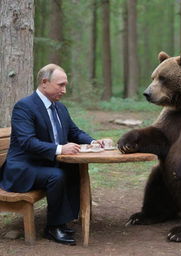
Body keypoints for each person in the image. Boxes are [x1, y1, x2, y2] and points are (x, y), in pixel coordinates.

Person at [0, 64, 104, 245]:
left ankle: (65, 219)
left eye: (65, 85)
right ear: (44, 83)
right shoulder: (24, 107)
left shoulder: (59, 108)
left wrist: (92, 142)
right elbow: (27, 142)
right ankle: (53, 227)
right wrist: (60, 149)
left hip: (43, 163)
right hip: (22, 168)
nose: (64, 90)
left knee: (72, 168)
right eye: (60, 85)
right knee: (56, 175)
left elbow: (74, 132)